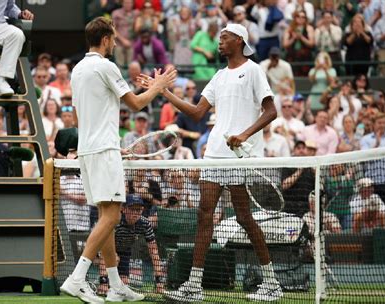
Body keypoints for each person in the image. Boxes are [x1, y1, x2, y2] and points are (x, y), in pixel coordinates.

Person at [157, 23, 283, 302]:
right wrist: (164, 93)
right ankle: (194, 285)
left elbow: (271, 110)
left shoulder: (253, 71)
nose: (219, 42)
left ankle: (272, 282)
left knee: (243, 218)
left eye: (224, 38)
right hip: (214, 154)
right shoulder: (218, 76)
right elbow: (198, 112)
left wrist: (244, 134)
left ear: (239, 40)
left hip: (239, 157)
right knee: (204, 216)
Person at [59, 17, 176, 304]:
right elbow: (136, 103)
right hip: (102, 151)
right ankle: (77, 278)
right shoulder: (106, 66)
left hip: (89, 150)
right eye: (113, 37)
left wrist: (105, 144)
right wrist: (159, 86)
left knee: (105, 217)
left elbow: (77, 116)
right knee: (113, 216)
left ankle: (115, 285)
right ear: (106, 38)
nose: (115, 42)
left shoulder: (77, 70)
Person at [98, 194, 165, 294]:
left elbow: (154, 251)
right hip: (104, 247)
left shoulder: (145, 224)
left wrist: (159, 282)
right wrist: (103, 282)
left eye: (138, 210)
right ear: (123, 209)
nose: (135, 213)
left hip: (125, 250)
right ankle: (101, 283)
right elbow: (104, 248)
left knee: (124, 284)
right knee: (115, 260)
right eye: (132, 209)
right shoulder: (115, 221)